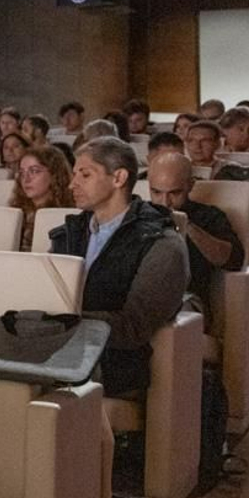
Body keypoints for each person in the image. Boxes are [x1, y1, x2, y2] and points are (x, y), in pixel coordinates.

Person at [49, 137, 189, 397]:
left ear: (119, 178)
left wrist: (61, 324)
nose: (72, 184)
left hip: (113, 364)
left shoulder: (161, 243)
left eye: (85, 175)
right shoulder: (70, 233)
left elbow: (133, 326)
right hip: (59, 347)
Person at [146, 152, 242, 321]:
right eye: (156, 192)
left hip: (185, 298)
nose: (165, 202)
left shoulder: (208, 216)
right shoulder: (139, 214)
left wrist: (186, 225)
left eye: (174, 193)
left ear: (190, 185)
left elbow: (233, 260)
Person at [10, 145, 76, 250]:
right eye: (22, 173)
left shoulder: (70, 217)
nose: (26, 179)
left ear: (54, 174)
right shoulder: (15, 213)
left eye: (34, 171)